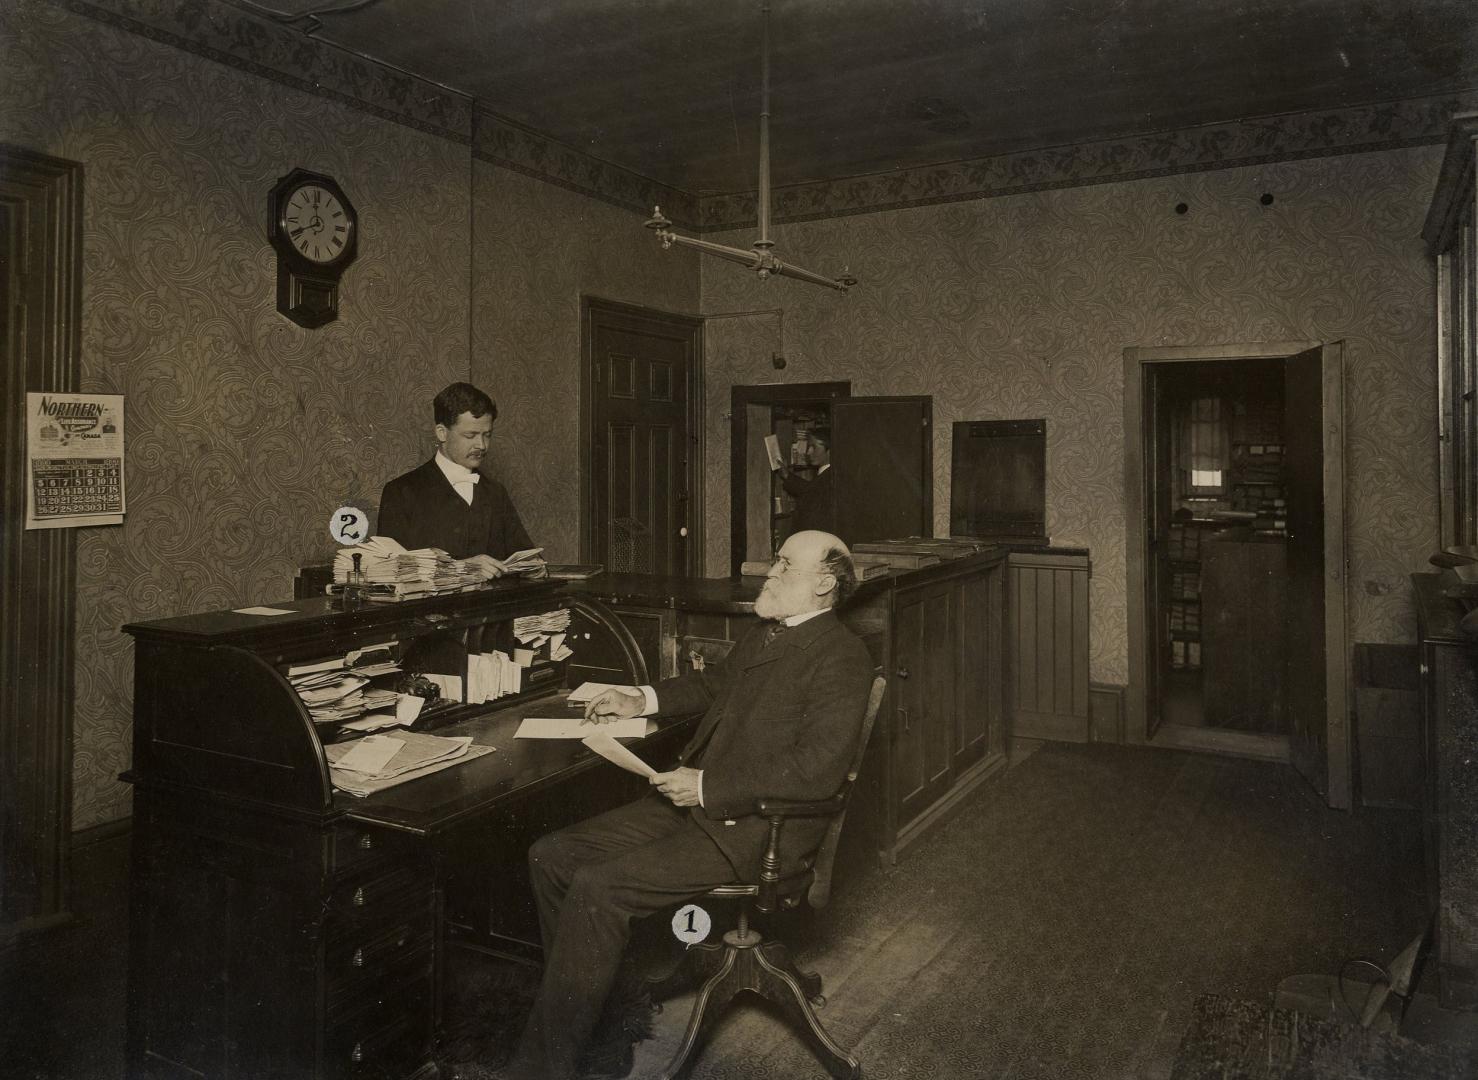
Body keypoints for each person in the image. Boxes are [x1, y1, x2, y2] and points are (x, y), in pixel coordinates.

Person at [503, 529, 874, 1079]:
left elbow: (816, 771)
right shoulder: (767, 634)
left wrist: (704, 787)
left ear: (824, 583)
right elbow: (712, 688)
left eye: (784, 566)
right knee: (551, 854)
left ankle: (543, 1069)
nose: (769, 574)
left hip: (757, 829)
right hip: (697, 805)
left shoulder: (842, 656)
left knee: (599, 886)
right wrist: (641, 696)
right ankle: (605, 1025)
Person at [376, 382, 538, 579]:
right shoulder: (401, 491)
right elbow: (388, 571)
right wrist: (461, 568)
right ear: (442, 433)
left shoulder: (496, 492)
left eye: (487, 435)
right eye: (470, 435)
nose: (481, 445)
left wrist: (533, 567)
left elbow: (523, 553)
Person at [777, 427, 836, 534]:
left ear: (830, 451)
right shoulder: (828, 475)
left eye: (814, 447)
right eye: (808, 447)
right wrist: (787, 475)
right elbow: (810, 490)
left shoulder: (829, 478)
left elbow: (811, 492)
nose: (808, 452)